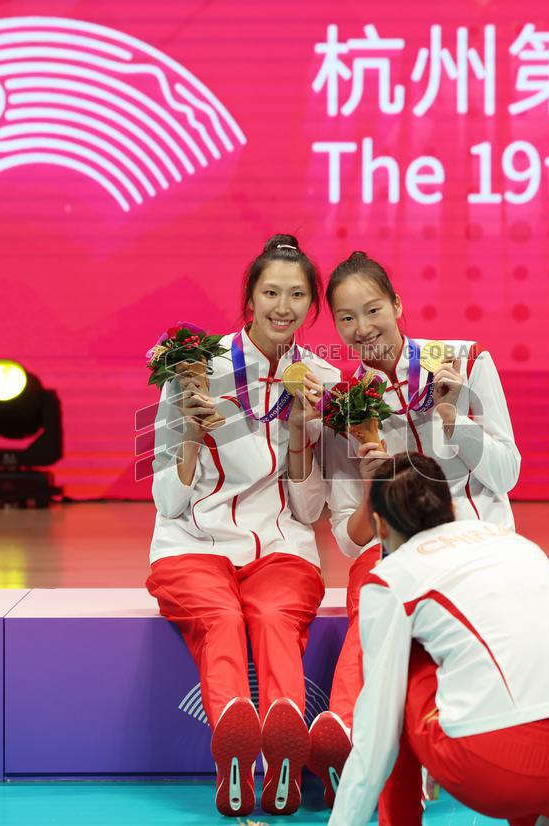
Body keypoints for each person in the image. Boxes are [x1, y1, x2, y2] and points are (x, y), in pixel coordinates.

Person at [288, 251, 521, 804]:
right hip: (396, 552)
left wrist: (452, 419)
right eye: (346, 318)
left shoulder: (462, 363)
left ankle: (396, 749)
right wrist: (373, 484)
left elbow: (506, 473)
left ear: (397, 305)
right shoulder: (346, 403)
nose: (363, 328)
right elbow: (348, 536)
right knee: (377, 585)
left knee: (413, 598)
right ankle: (345, 735)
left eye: (373, 310)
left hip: (474, 541)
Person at [146, 234, 336, 817]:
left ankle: (283, 749)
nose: (284, 306)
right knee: (221, 616)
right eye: (271, 292)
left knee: (276, 616)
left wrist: (304, 431)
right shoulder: (194, 370)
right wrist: (187, 434)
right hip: (192, 544)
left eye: (298, 294)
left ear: (313, 306)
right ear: (249, 299)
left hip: (281, 543)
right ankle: (236, 739)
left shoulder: (322, 381)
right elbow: (168, 499)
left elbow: (308, 511)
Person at [330, 453, 549, 826]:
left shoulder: (392, 577)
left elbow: (376, 739)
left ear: (380, 527)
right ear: (452, 507)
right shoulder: (519, 545)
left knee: (398, 671)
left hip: (495, 768)